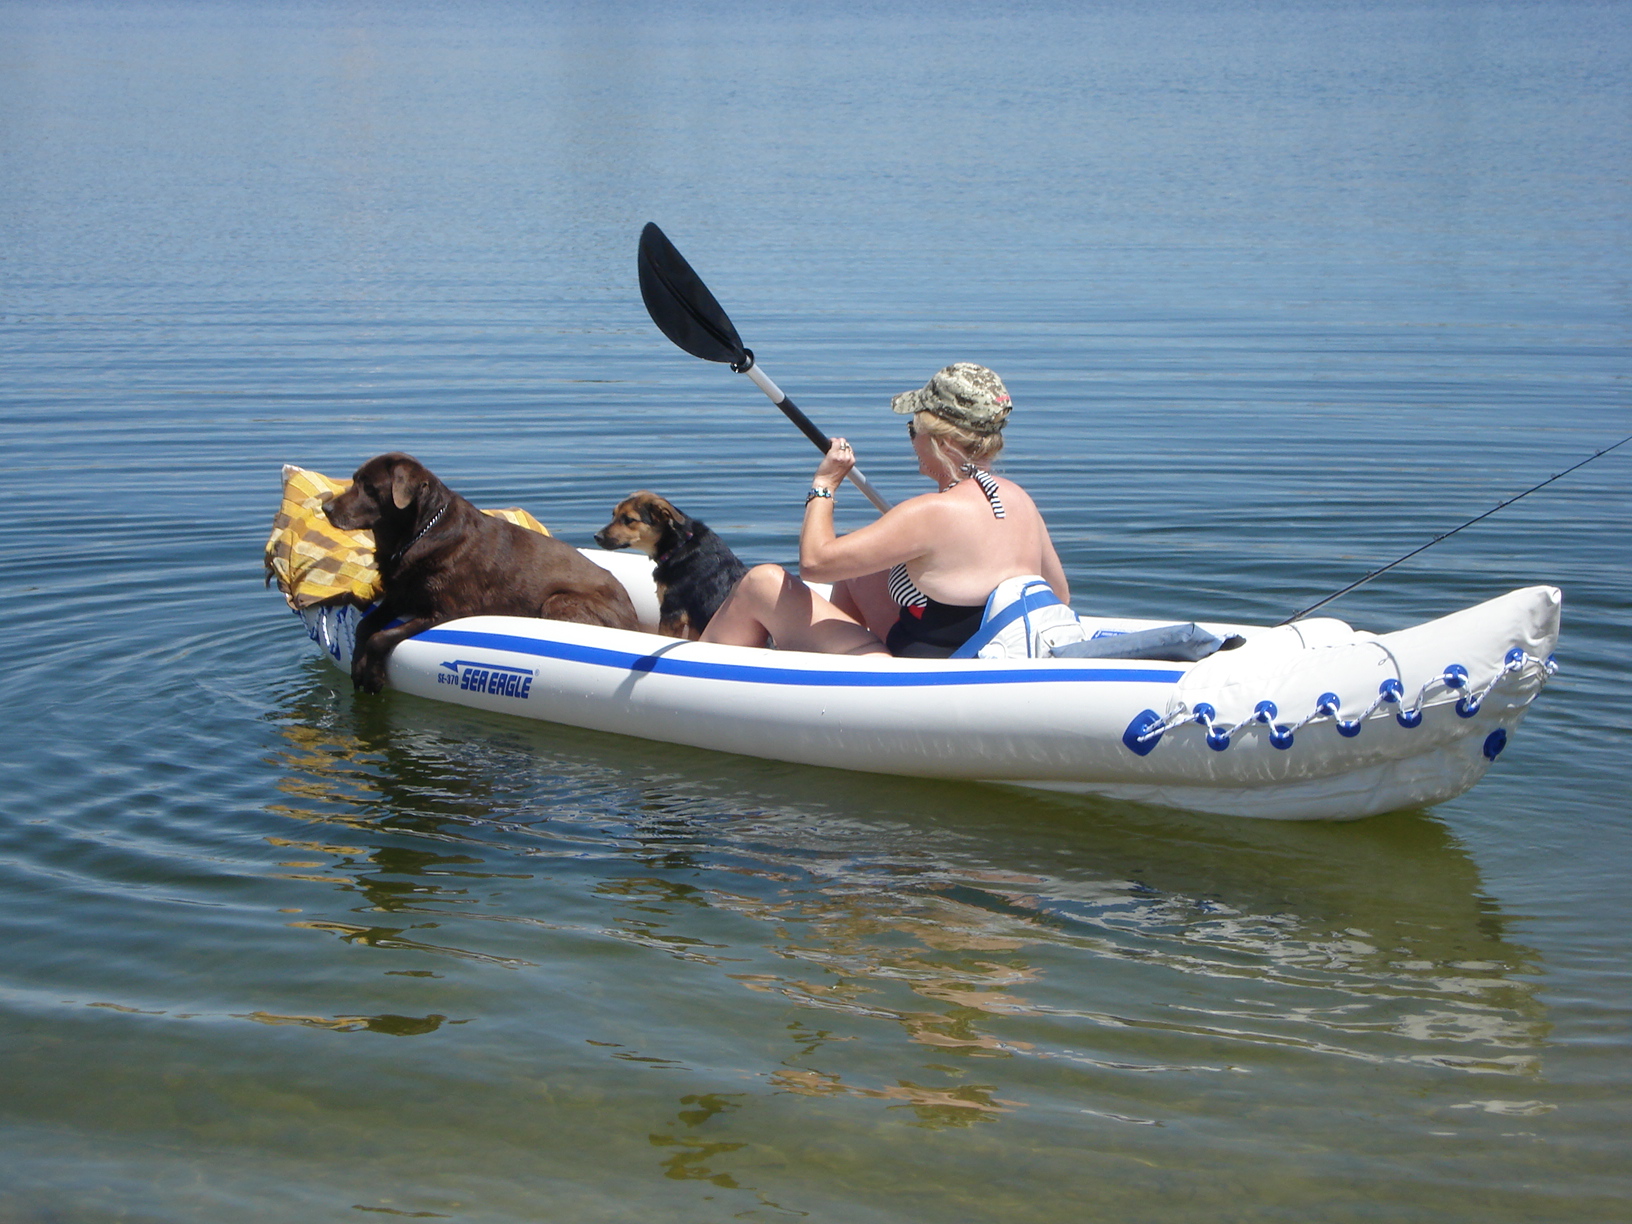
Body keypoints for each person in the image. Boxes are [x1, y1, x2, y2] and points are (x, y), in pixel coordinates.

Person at [700, 363, 1069, 658]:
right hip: (984, 655)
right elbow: (1059, 596)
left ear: (939, 441)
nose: (912, 441)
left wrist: (825, 485)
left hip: (920, 682)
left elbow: (814, 563)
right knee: (862, 572)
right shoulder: (1019, 500)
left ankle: (695, 684)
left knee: (761, 582)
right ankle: (815, 659)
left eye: (913, 429)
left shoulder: (930, 513)